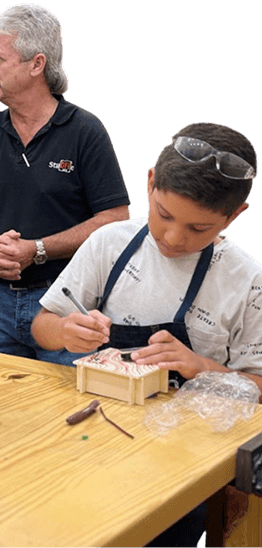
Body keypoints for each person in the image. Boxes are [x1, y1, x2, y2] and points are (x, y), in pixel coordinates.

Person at [32, 124, 259, 547]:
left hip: (185, 465)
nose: (174, 239)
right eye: (165, 215)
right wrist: (66, 331)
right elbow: (41, 327)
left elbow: (259, 390)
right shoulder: (109, 243)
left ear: (235, 215)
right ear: (150, 182)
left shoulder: (248, 283)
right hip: (94, 439)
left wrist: (203, 369)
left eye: (199, 229)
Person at [0, 3, 130, 365]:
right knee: (3, 403)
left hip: (66, 301)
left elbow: (116, 217)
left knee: (66, 404)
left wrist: (38, 250)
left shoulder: (85, 133)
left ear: (36, 65)